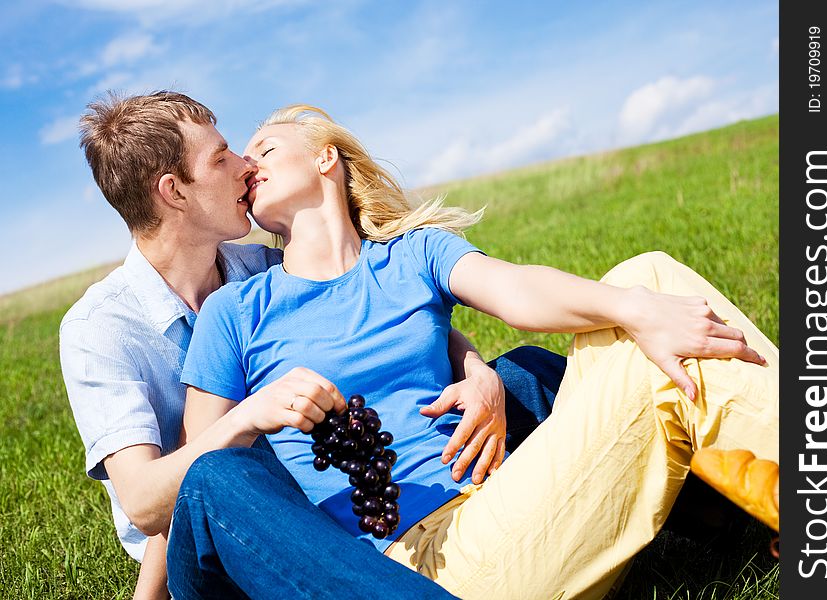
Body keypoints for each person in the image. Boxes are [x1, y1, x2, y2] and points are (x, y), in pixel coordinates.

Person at [177, 105, 779, 600]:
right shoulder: (236, 311)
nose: (247, 164)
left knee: (646, 281)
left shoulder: (412, 256)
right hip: (417, 566)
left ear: (325, 157)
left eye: (266, 147)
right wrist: (252, 413)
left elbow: (517, 289)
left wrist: (629, 311)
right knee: (644, 295)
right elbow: (194, 483)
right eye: (241, 155)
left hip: (507, 505)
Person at [59, 91, 564, 600]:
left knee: (527, 371)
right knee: (223, 475)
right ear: (174, 192)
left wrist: (475, 369)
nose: (244, 166)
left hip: (321, 490)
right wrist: (248, 417)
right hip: (231, 533)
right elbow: (149, 506)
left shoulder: (257, 270)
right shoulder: (101, 330)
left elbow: (394, 319)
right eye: (221, 157)